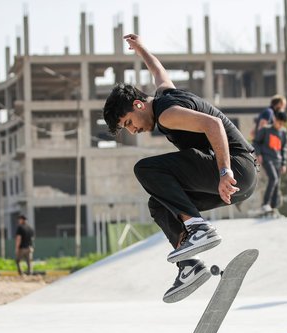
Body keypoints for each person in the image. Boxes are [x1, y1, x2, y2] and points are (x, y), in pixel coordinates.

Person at [102, 34, 258, 303]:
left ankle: (199, 229)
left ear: (138, 105)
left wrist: (224, 172)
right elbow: (158, 71)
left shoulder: (166, 112)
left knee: (146, 169)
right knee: (159, 204)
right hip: (238, 183)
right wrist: (142, 50)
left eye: (129, 122)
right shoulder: (164, 95)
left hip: (236, 170)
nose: (134, 130)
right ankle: (189, 265)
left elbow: (214, 125)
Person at [254, 111, 287, 215]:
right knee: (273, 178)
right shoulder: (266, 129)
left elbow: (284, 149)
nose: (280, 125)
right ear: (274, 119)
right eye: (279, 122)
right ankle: (265, 204)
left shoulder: (283, 132)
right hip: (267, 158)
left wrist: (284, 163)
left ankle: (274, 207)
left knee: (277, 184)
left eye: (282, 124)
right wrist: (259, 154)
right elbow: (256, 142)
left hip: (278, 159)